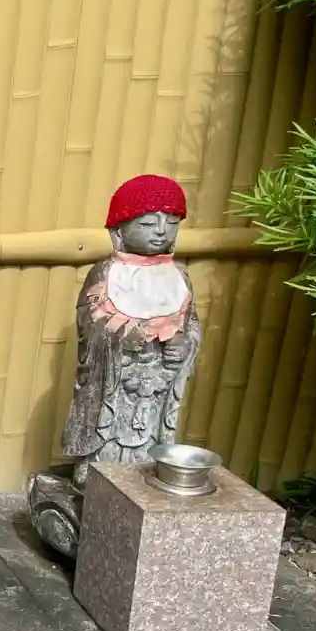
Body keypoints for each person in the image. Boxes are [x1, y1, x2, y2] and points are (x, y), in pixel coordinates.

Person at [62, 173, 201, 485]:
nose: (161, 230)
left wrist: (185, 344)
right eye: (149, 223)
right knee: (107, 439)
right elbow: (90, 325)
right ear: (118, 231)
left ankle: (144, 475)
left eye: (171, 222)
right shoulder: (105, 273)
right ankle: (95, 473)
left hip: (157, 386)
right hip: (117, 382)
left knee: (148, 443)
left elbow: (191, 324)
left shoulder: (179, 278)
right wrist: (126, 337)